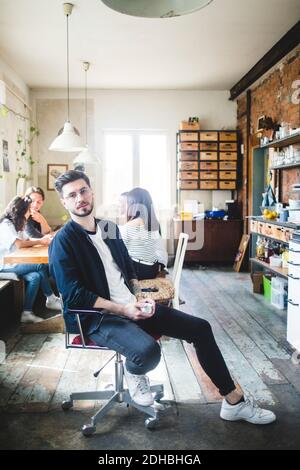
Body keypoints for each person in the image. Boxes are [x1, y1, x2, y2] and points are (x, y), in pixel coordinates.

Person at [49, 170, 276, 425]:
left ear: (91, 192)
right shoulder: (63, 241)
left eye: (83, 191)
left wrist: (136, 296)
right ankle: (133, 370)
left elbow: (129, 267)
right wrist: (123, 309)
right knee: (148, 353)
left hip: (132, 306)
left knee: (200, 328)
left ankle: (234, 401)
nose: (79, 198)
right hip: (98, 318)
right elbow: (74, 294)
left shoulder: (108, 228)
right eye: (72, 195)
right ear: (64, 201)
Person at [0, 196, 62, 323]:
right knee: (40, 265)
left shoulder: (18, 223)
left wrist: (44, 241)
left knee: (35, 277)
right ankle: (51, 298)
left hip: (16, 263)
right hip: (4, 266)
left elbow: (27, 240)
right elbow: (19, 244)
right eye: (28, 210)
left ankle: (27, 313)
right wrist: (40, 240)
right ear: (21, 210)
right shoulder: (6, 224)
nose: (30, 212)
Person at [118, 188, 168, 280]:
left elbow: (120, 248)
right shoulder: (153, 224)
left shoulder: (131, 225)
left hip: (138, 271)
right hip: (152, 269)